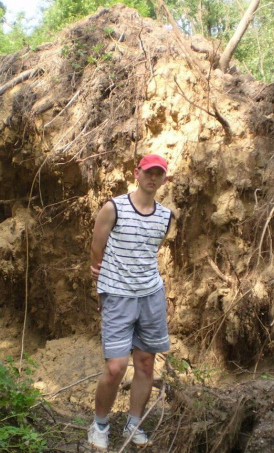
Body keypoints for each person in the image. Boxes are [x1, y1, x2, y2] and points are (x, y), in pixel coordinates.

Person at [88, 154, 172, 451]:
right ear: (137, 173)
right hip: (118, 296)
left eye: (158, 174)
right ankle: (99, 424)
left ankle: (133, 424)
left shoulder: (165, 216)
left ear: (164, 179)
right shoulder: (114, 208)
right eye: (148, 172)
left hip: (150, 295)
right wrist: (103, 290)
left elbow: (150, 252)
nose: (153, 178)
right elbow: (96, 252)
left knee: (146, 363)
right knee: (116, 366)